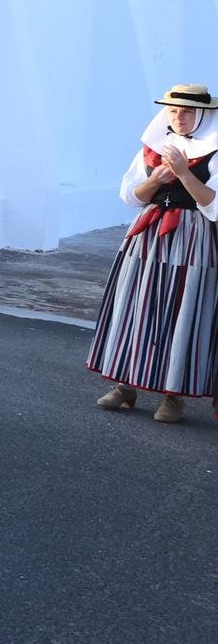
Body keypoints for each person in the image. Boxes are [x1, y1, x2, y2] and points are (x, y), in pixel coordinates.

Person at [90, 85, 218, 422]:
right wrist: (157, 178)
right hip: (147, 234)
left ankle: (173, 395)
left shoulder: (214, 152)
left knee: (183, 310)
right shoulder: (151, 150)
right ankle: (124, 385)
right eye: (175, 111)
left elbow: (214, 205)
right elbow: (131, 196)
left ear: (203, 114)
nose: (180, 117)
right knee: (135, 305)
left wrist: (184, 173)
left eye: (188, 111)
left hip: (192, 238)